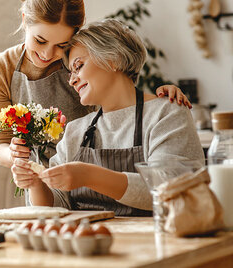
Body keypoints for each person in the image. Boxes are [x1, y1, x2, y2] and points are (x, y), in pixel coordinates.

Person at [0, 0, 190, 176]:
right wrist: (15, 155)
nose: (48, 54)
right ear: (24, 20)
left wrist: (158, 100)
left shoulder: (81, 60)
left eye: (61, 45)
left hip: (92, 177)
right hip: (39, 180)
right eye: (40, 41)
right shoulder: (3, 68)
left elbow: (120, 102)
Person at [17, 19, 204, 215]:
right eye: (70, 72)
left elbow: (170, 189)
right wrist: (36, 184)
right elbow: (57, 204)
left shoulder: (166, 113)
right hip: (91, 242)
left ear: (112, 59)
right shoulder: (75, 131)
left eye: (78, 66)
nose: (72, 80)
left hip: (155, 240)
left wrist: (89, 175)